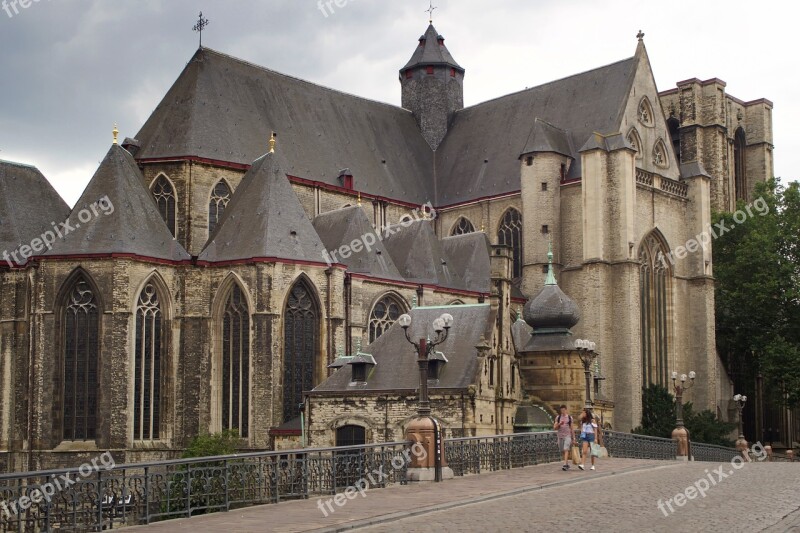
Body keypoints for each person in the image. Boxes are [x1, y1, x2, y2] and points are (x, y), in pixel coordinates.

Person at [553, 405, 573, 471]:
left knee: (566, 449)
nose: (563, 411)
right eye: (561, 410)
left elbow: (572, 428)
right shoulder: (558, 418)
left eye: (564, 410)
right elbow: (554, 428)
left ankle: (564, 464)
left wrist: (574, 438)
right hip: (560, 436)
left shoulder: (570, 418)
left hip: (567, 435)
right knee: (562, 450)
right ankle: (566, 464)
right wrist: (559, 424)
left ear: (566, 410)